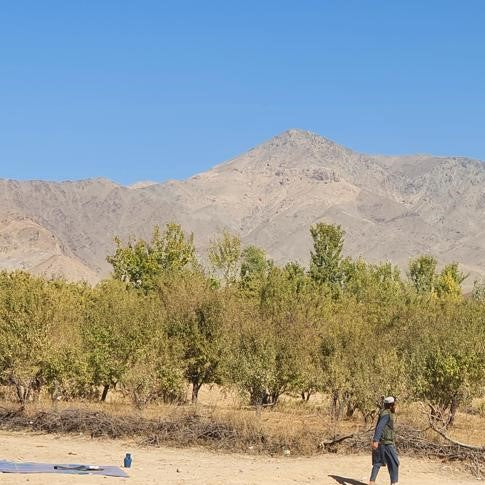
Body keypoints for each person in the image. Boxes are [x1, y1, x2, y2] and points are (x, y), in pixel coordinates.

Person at [369, 396, 399, 485]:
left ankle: (372, 482)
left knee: (377, 462)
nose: (395, 406)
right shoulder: (387, 414)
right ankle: (394, 483)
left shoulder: (383, 412)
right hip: (386, 443)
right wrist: (375, 440)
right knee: (394, 462)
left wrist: (376, 440)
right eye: (394, 405)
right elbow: (379, 427)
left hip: (381, 442)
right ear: (391, 405)